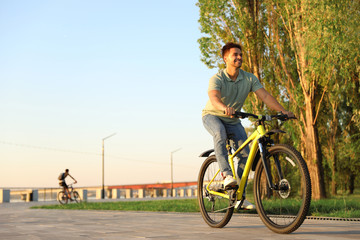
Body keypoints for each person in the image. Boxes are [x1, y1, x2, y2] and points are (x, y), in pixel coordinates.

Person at [202, 42, 295, 210]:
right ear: (225, 58)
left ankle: (239, 197)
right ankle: (227, 175)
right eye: (235, 54)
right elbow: (214, 97)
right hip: (213, 116)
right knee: (220, 133)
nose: (239, 57)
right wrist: (225, 108)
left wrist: (283, 111)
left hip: (233, 119)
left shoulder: (249, 78)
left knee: (246, 155)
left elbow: (265, 96)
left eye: (240, 54)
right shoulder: (217, 78)